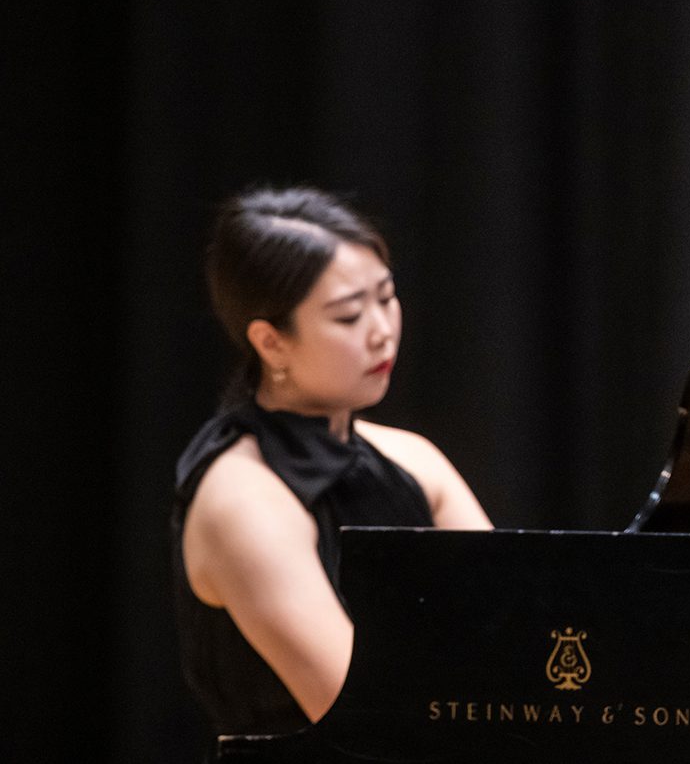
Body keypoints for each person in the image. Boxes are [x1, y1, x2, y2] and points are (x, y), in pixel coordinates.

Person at [173, 187, 491, 737]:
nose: (381, 330)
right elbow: (362, 722)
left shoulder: (415, 460)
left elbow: (519, 626)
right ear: (272, 344)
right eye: (348, 316)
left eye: (386, 297)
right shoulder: (244, 501)